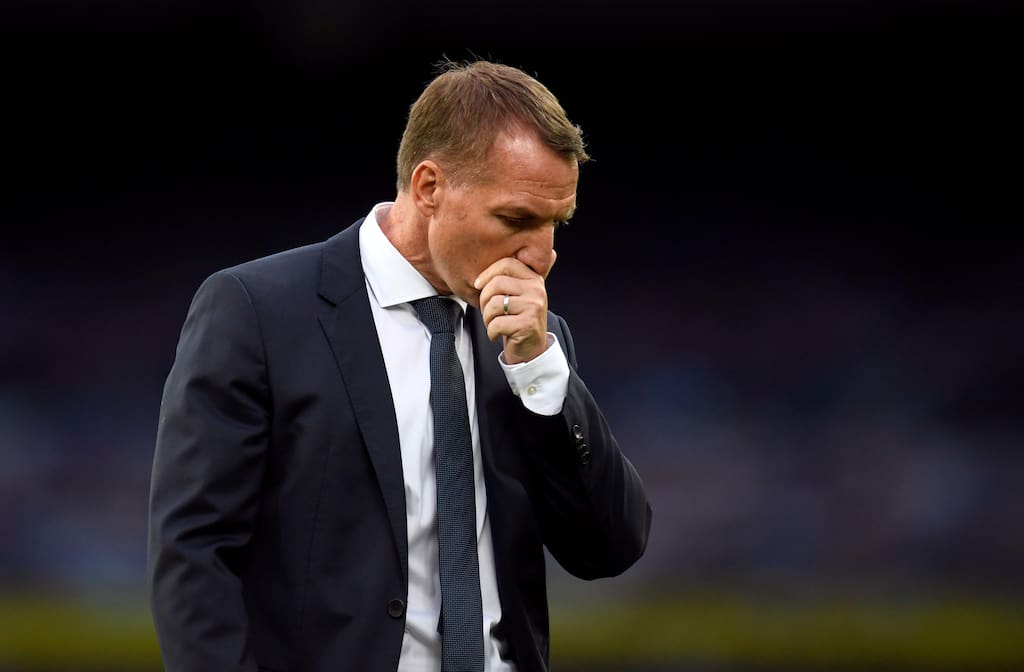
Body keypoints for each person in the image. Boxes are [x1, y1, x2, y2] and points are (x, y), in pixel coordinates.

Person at [147, 58, 652, 672]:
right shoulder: (258, 313)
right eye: (516, 219)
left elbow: (610, 548)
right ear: (429, 187)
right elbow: (195, 553)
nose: (542, 255)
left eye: (556, 223)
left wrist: (542, 374)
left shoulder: (531, 345)